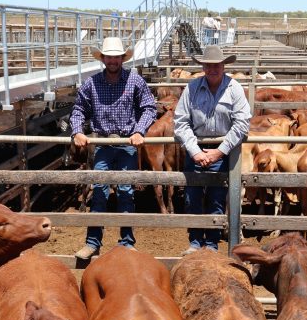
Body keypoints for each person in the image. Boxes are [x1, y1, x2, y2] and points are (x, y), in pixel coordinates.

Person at [69, 37, 156, 260]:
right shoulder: (92, 83)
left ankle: (127, 241)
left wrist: (139, 131)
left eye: (117, 57)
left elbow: (149, 108)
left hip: (127, 143)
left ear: (122, 58)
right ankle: (92, 243)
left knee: (127, 192)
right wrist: (78, 131)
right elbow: (78, 109)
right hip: (103, 144)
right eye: (109, 57)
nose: (113, 60)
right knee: (99, 192)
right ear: (103, 58)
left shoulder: (135, 81)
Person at [174, 45, 251, 255]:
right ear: (203, 67)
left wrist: (220, 151)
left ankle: (213, 244)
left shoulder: (234, 88)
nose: (212, 69)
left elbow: (242, 123)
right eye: (208, 65)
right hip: (196, 150)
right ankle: (195, 242)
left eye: (217, 65)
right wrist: (195, 151)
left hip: (223, 152)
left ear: (224, 66)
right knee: (192, 198)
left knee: (217, 199)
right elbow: (181, 122)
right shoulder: (191, 88)